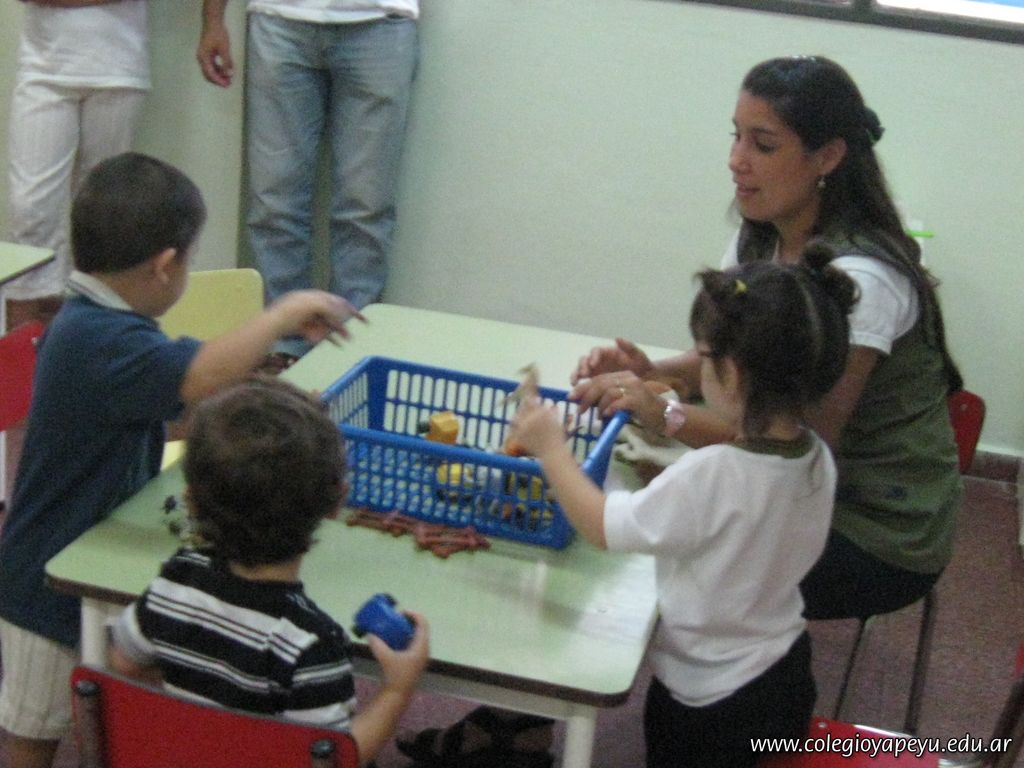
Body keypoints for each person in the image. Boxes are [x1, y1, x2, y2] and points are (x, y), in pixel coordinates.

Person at [0, 152, 365, 768]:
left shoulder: (103, 323)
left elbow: (170, 407)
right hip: (43, 580)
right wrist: (281, 314)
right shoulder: (100, 337)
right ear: (165, 265)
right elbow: (195, 377)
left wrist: (262, 404)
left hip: (90, 547)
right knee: (31, 731)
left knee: (95, 708)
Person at [571, 55, 963, 623]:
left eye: (763, 145)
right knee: (622, 495)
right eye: (736, 137)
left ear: (827, 156)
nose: (736, 160)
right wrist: (653, 373)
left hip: (872, 531)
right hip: (793, 484)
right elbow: (737, 360)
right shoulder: (763, 233)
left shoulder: (864, 279)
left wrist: (666, 414)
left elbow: (794, 447)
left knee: (645, 542)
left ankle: (721, 666)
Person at [509, 253, 856, 768]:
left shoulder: (712, 474)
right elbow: (741, 454)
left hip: (709, 701)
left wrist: (551, 449)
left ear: (730, 373)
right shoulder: (814, 457)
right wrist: (663, 411)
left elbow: (603, 526)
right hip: (784, 670)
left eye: (704, 357)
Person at [109, 377, 430, 766]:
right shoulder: (309, 643)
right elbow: (333, 759)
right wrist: (397, 691)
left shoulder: (176, 580)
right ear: (337, 502)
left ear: (191, 501)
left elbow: (125, 662)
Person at [197, 0, 419, 360]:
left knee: (365, 210)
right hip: (279, 18)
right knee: (274, 207)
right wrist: (213, 20)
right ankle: (283, 353)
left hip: (381, 21)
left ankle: (349, 359)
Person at [5, 0, 151, 331]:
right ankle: (20, 349)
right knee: (30, 210)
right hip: (43, 68)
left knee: (104, 217)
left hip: (119, 69)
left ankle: (81, 336)